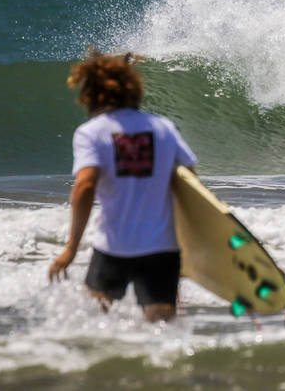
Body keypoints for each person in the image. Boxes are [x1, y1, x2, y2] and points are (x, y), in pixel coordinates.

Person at [48, 49, 197, 322]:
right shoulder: (163, 127)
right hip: (162, 249)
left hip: (113, 248)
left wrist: (71, 249)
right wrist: (191, 243)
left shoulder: (91, 133)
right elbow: (189, 182)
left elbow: (84, 186)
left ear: (91, 93)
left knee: (99, 326)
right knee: (162, 328)